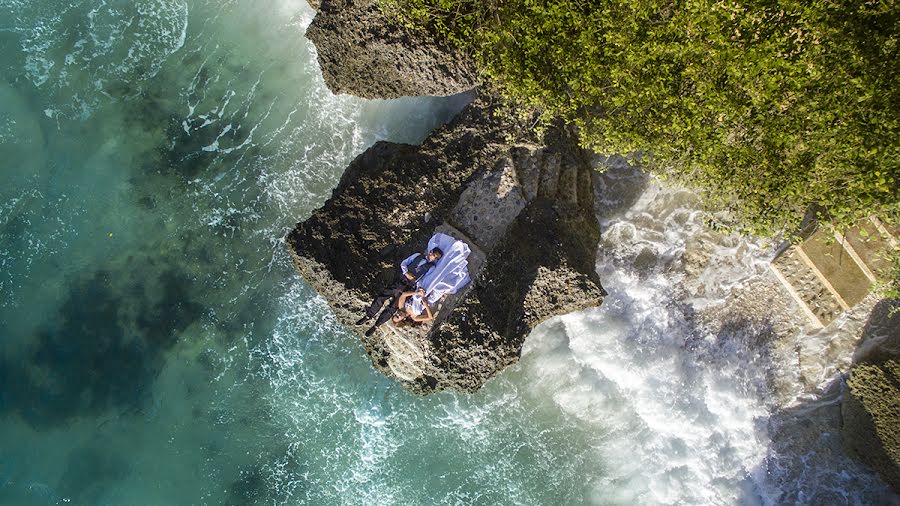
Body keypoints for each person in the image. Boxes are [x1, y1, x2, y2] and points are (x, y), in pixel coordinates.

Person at [357, 247, 443, 336]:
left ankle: (376, 326)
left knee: (392, 309)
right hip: (400, 282)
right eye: (435, 256)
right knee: (381, 297)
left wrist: (418, 285)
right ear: (430, 252)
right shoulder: (417, 255)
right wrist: (406, 273)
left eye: (437, 258)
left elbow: (424, 279)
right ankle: (368, 316)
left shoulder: (431, 267)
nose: (434, 259)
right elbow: (404, 263)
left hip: (410, 287)